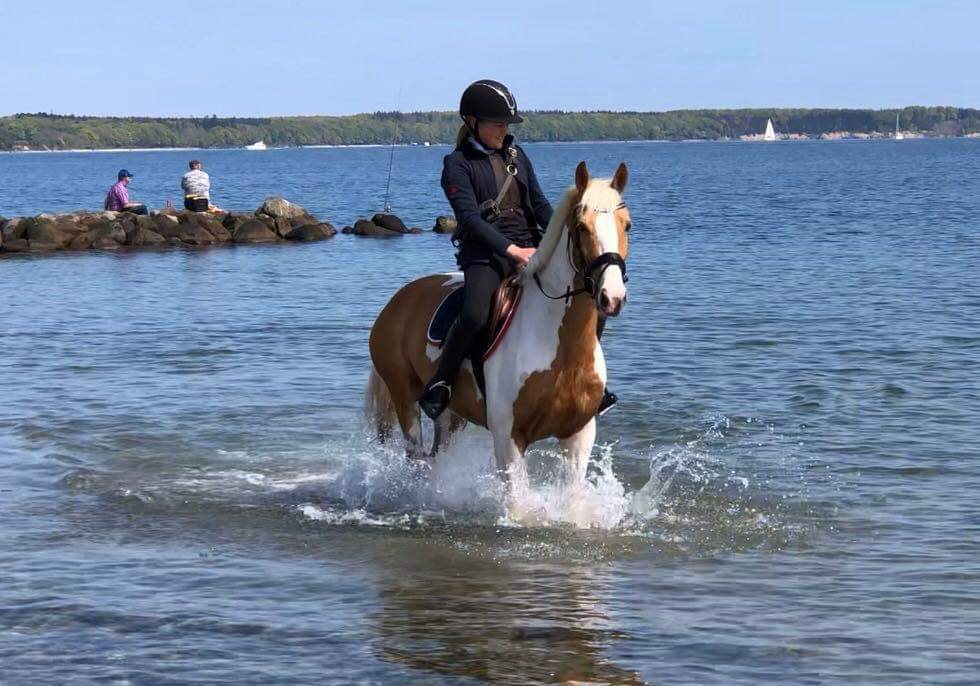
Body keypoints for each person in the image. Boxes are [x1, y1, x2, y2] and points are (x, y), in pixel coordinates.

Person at [418, 79, 617, 420]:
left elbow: (538, 205)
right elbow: (469, 219)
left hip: (530, 242)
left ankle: (587, 379)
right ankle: (442, 382)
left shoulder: (517, 156)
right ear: (472, 122)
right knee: (475, 313)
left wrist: (563, 237)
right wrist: (512, 250)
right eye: (498, 123)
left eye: (507, 124)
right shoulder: (457, 164)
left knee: (590, 295)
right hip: (485, 252)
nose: (504, 130)